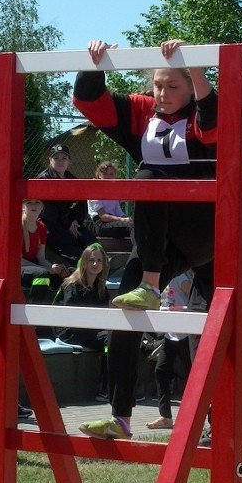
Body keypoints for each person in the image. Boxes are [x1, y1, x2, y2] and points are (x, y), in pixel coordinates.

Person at [73, 38, 218, 440]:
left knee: (149, 179)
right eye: (157, 84)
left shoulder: (201, 117)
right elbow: (90, 101)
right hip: (158, 237)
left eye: (173, 86)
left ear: (190, 87)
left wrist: (197, 65)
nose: (162, 94)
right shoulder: (141, 112)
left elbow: (215, 117)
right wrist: (96, 62)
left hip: (204, 228)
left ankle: (152, 286)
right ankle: (120, 418)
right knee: (124, 309)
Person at [53, 243, 111, 402]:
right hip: (69, 332)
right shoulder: (72, 285)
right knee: (110, 339)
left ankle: (124, 387)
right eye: (91, 260)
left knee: (115, 339)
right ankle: (105, 388)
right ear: (84, 262)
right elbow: (71, 318)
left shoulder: (101, 288)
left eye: (99, 261)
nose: (95, 264)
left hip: (91, 331)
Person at [146, 270, 193, 430]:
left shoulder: (180, 278)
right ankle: (165, 416)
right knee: (161, 370)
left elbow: (193, 299)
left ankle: (198, 415)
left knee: (192, 374)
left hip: (185, 334)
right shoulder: (162, 277)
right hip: (170, 334)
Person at [36, 144, 96, 261]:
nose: (60, 161)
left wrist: (74, 221)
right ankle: (80, 273)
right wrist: (68, 223)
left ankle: (104, 266)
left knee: (92, 243)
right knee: (74, 251)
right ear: (50, 160)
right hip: (49, 225)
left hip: (67, 222)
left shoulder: (71, 178)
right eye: (56, 158)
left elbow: (82, 201)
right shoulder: (43, 179)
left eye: (64, 158)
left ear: (69, 161)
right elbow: (48, 211)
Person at [87, 161, 133, 239]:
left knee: (138, 224)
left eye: (111, 174)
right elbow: (103, 216)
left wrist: (130, 218)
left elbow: (119, 213)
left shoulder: (113, 193)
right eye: (105, 174)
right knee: (132, 226)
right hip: (100, 224)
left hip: (113, 221)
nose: (108, 177)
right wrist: (123, 219)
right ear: (99, 176)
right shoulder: (94, 190)